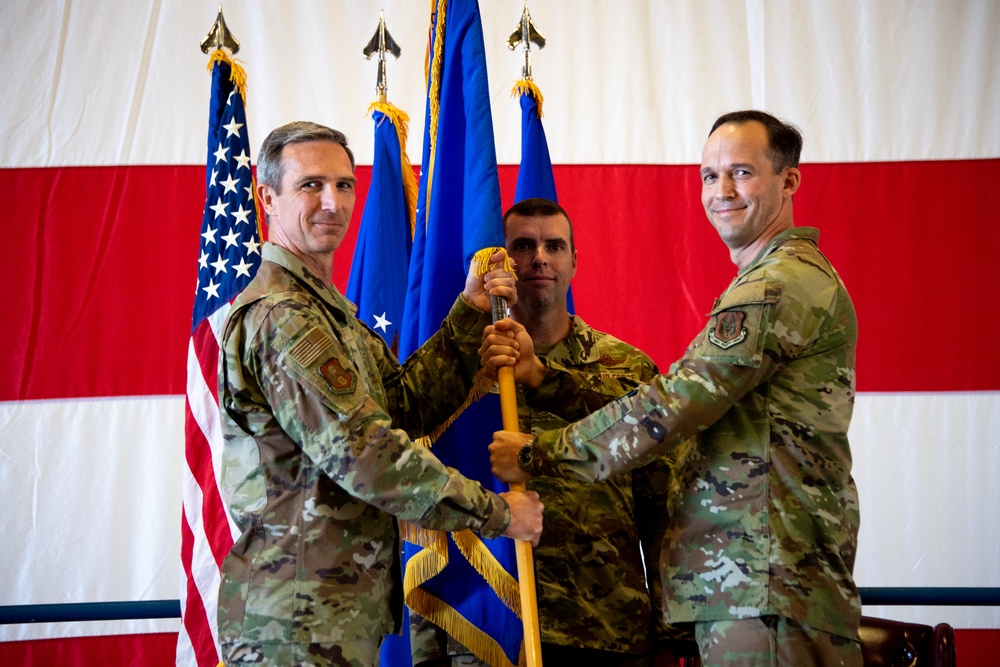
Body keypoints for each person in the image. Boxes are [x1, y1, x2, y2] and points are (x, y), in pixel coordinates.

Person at [489, 111, 862, 667]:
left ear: (789, 181)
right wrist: (546, 383)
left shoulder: (777, 284)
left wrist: (542, 453)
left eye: (741, 172)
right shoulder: (766, 279)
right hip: (749, 581)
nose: (722, 191)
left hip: (765, 582)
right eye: (710, 176)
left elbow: (676, 404)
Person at [216, 121, 544, 667]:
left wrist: (468, 313)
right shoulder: (286, 317)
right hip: (297, 618)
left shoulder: (322, 307)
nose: (332, 202)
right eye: (311, 185)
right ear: (266, 196)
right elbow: (366, 454)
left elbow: (400, 407)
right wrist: (496, 513)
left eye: (344, 185)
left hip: (327, 612)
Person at [412, 198, 688, 667]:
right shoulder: (456, 373)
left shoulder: (627, 369)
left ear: (575, 262)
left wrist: (673, 636)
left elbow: (663, 509)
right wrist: (426, 648)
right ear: (500, 262)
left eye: (554, 245)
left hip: (605, 630)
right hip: (484, 636)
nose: (539, 257)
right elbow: (425, 517)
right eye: (522, 245)